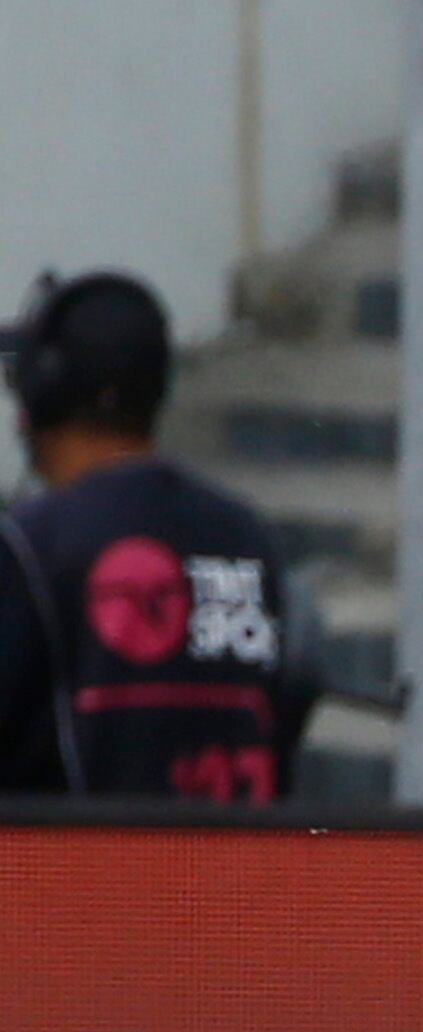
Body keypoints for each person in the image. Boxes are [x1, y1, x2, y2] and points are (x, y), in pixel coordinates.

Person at [0, 270, 310, 799]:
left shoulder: (29, 546)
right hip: (234, 879)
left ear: (41, 396)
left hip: (74, 879)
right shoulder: (247, 535)